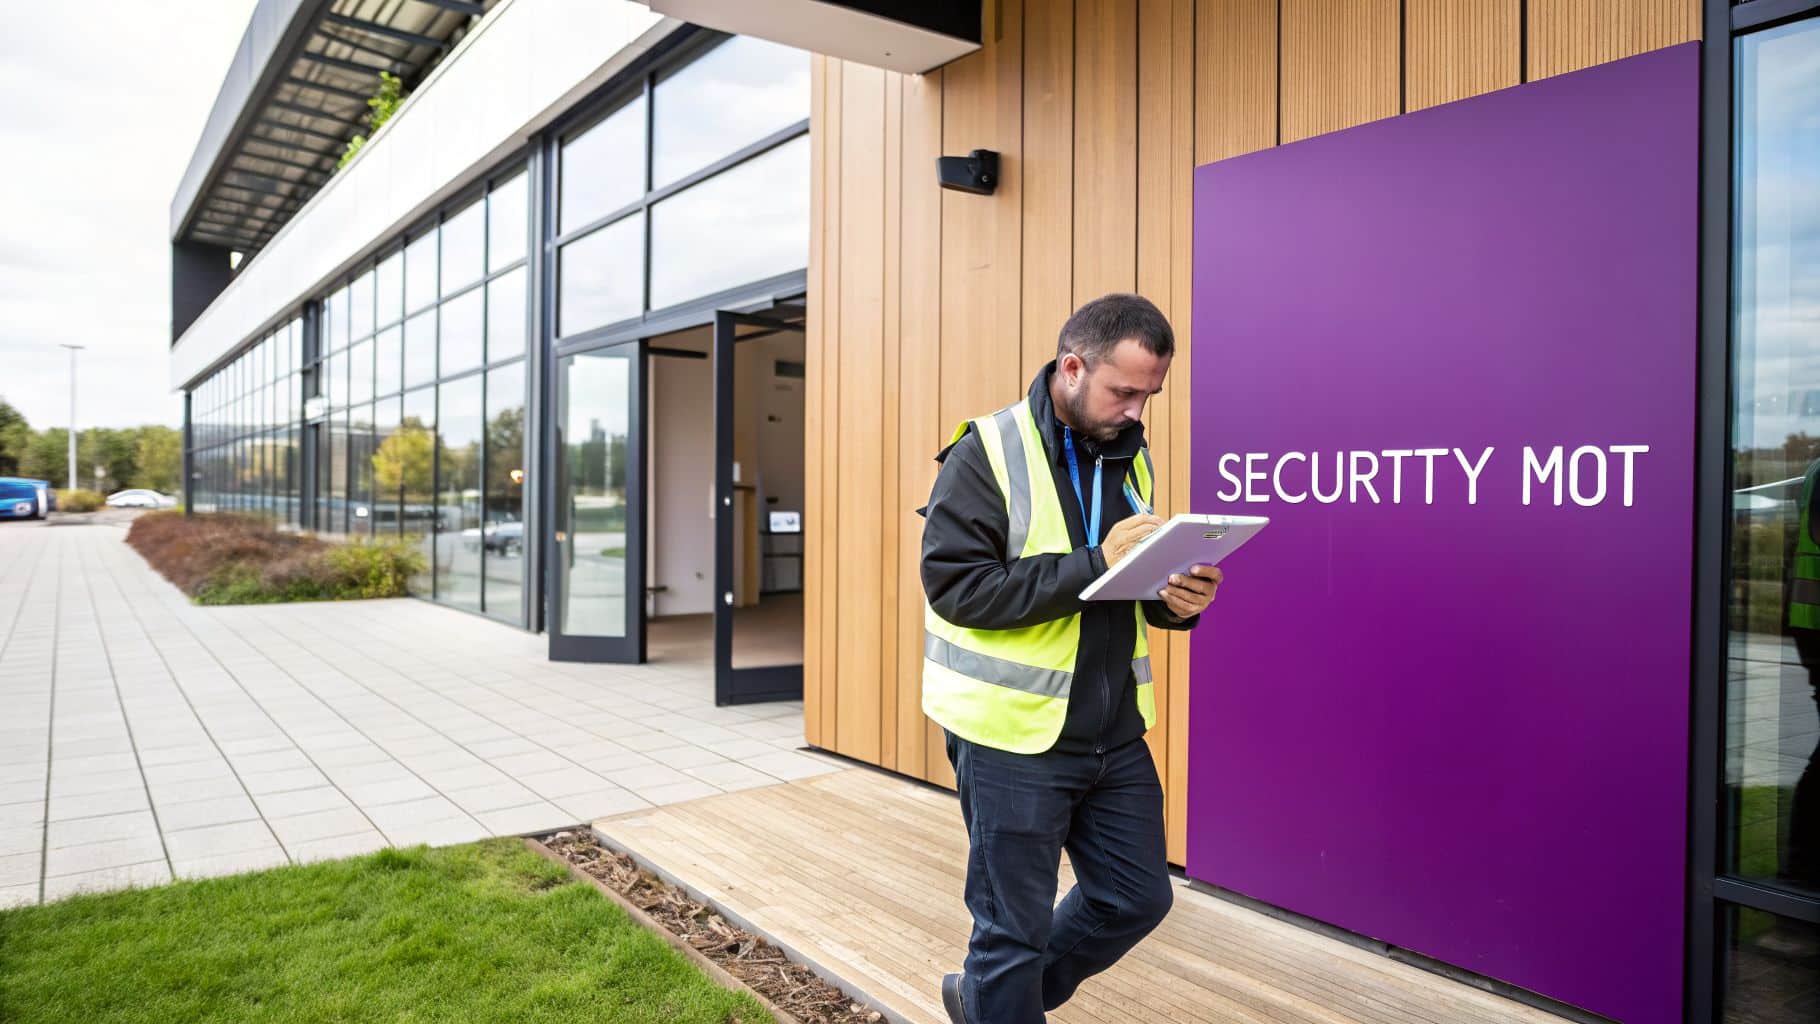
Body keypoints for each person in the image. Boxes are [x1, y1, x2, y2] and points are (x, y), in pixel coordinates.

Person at [918, 293, 1221, 1023]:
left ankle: (987, 999)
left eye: (1150, 395)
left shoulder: (1131, 455)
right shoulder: (984, 451)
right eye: (1125, 391)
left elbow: (1125, 583)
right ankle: (999, 995)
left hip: (1110, 730)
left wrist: (1172, 601)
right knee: (1011, 933)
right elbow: (956, 588)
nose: (1137, 411)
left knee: (1135, 896)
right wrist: (1093, 564)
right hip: (1010, 736)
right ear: (1073, 366)